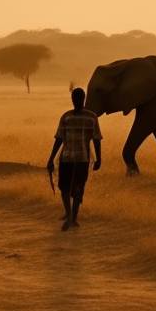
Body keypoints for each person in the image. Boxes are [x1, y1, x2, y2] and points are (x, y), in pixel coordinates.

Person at [45, 87, 102, 231]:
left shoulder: (90, 117)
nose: (76, 102)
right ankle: (70, 215)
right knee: (65, 189)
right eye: (74, 99)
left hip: (82, 159)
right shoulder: (67, 117)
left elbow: (96, 139)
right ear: (72, 100)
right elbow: (59, 139)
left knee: (77, 189)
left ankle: (73, 217)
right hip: (67, 158)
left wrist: (99, 158)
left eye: (78, 99)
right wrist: (51, 158)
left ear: (83, 100)